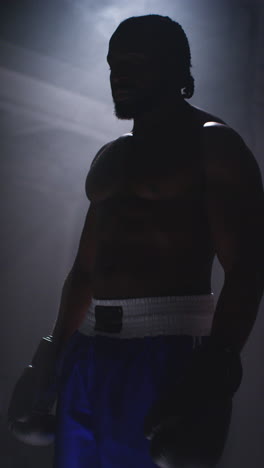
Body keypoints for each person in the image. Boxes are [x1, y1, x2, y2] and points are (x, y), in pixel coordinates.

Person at [8, 14, 264, 468]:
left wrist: (215, 367)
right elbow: (86, 270)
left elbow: (247, 267)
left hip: (166, 350)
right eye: (113, 64)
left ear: (177, 71)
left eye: (135, 62)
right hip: (87, 352)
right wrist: (52, 349)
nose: (119, 75)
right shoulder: (111, 156)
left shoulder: (214, 145)